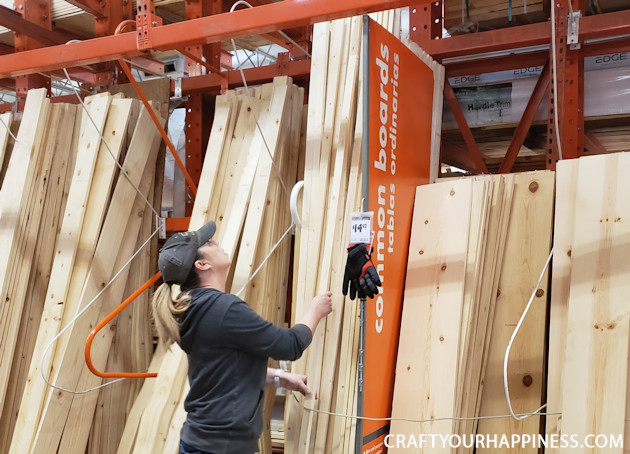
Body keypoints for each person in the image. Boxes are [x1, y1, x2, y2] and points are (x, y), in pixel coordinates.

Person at [152, 220, 332, 454]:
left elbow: (223, 370)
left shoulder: (194, 307)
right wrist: (315, 310)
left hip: (202, 442)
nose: (215, 242)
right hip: (221, 447)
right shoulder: (224, 309)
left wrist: (279, 377)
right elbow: (291, 345)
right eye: (208, 242)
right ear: (202, 264)